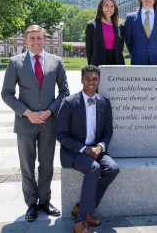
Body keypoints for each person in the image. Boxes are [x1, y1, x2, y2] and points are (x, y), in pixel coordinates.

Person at [1, 25, 70, 221]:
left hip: (49, 122)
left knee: (47, 165)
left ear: (45, 40)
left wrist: (49, 111)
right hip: (25, 123)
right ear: (26, 40)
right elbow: (6, 93)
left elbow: (64, 92)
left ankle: (45, 202)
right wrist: (26, 113)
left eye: (39, 38)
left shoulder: (56, 62)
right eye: (32, 38)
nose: (36, 42)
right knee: (27, 165)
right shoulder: (15, 62)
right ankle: (31, 204)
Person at [57, 65, 119, 233]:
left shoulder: (104, 102)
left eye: (95, 79)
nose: (91, 82)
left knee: (112, 169)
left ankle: (82, 208)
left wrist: (100, 146)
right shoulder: (69, 103)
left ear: (99, 81)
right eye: (88, 79)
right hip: (74, 151)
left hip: (97, 150)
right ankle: (80, 220)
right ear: (82, 80)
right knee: (94, 168)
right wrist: (84, 149)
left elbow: (108, 131)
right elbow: (61, 134)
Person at [85, 0, 125, 66]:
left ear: (115, 9)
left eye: (112, 6)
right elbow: (89, 50)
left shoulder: (120, 26)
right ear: (101, 7)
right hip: (98, 64)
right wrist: (91, 68)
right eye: (106, 6)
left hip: (117, 64)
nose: (109, 9)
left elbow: (120, 49)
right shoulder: (92, 26)